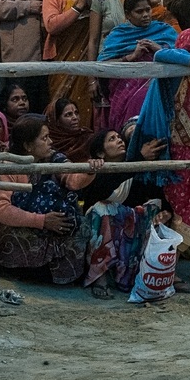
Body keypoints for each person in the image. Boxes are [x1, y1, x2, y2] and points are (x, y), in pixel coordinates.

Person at [133, 28, 190, 291]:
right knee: (177, 213)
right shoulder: (174, 73)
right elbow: (162, 53)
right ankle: (169, 271)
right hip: (178, 153)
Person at [0, 114, 92, 285]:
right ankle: (24, 270)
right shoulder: (10, 167)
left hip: (54, 226)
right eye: (44, 138)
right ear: (28, 146)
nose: (50, 142)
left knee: (81, 225)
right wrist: (42, 220)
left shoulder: (54, 159)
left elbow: (73, 181)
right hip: (26, 227)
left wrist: (90, 170)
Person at [80, 125, 167, 299]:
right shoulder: (97, 170)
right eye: (111, 139)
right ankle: (100, 277)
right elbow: (104, 190)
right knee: (102, 210)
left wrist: (165, 211)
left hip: (125, 229)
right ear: (101, 153)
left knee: (146, 208)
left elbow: (154, 193)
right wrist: (139, 158)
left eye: (119, 137)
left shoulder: (133, 167)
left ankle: (129, 275)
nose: (119, 140)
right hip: (99, 228)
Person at [96, 0, 180, 130]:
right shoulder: (117, 35)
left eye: (148, 10)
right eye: (139, 11)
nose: (146, 14)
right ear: (128, 14)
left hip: (162, 88)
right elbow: (103, 66)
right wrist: (131, 57)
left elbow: (181, 55)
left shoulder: (164, 30)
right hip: (125, 91)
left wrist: (159, 49)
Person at [43, 0, 95, 127]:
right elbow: (51, 25)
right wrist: (78, 7)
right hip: (62, 60)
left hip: (89, 61)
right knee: (61, 104)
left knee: (87, 106)